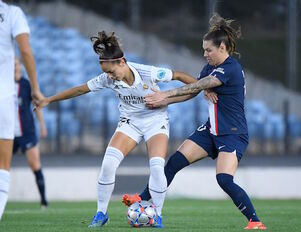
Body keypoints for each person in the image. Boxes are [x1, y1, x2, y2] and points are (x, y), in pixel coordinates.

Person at [34, 31, 197, 228]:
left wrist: (200, 88)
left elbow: (179, 75)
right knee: (108, 164)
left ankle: (157, 215)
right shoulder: (108, 78)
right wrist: (49, 100)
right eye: (106, 72)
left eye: (111, 71)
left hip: (155, 121)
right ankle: (101, 214)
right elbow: (80, 89)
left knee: (156, 167)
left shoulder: (148, 73)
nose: (109, 76)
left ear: (122, 62)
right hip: (130, 122)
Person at [122, 13, 267, 230]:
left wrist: (166, 95)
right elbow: (193, 91)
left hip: (233, 133)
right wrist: (167, 101)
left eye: (209, 50)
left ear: (223, 48)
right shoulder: (211, 68)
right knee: (174, 162)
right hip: (211, 131)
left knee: (224, 180)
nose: (205, 54)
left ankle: (255, 221)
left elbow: (198, 85)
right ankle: (141, 199)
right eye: (203, 50)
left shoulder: (230, 68)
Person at [0, 0, 44, 220]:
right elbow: (25, 50)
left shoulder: (22, 85)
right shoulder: (11, 13)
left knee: (34, 163)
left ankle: (43, 200)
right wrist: (37, 87)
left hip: (23, 126)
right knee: (2, 166)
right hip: (3, 99)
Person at [13, 58, 48, 208]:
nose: (14, 66)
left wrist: (42, 125)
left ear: (20, 66)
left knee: (35, 165)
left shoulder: (26, 84)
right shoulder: (4, 84)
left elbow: (36, 105)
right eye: (12, 64)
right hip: (7, 132)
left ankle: (44, 201)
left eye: (16, 64)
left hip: (27, 131)